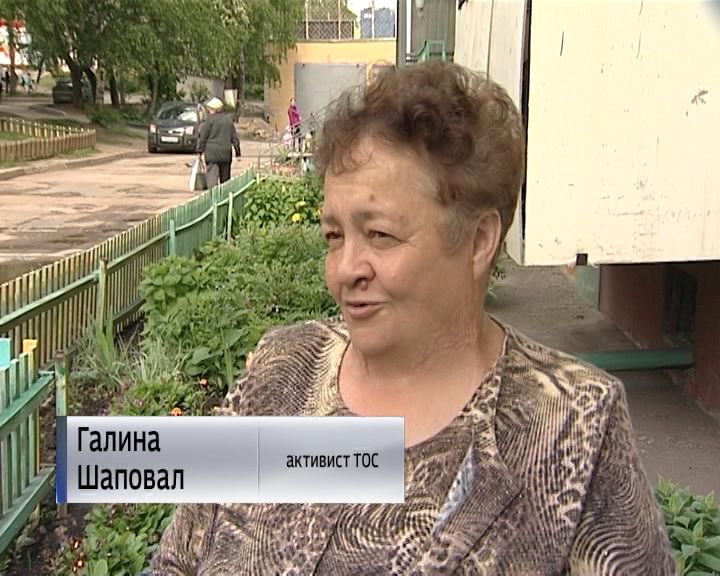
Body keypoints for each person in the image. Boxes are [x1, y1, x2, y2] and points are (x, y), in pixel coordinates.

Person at [152, 62, 674, 574]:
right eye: (334, 235)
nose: (345, 270)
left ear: (478, 240)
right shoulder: (282, 368)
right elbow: (178, 558)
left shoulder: (573, 425)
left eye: (380, 235)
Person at [196, 97, 241, 189]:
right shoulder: (228, 120)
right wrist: (238, 153)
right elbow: (235, 139)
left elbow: (203, 137)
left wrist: (199, 151)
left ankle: (213, 196)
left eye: (209, 109)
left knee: (212, 180)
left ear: (213, 109)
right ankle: (225, 196)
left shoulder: (209, 121)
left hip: (212, 154)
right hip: (225, 153)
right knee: (225, 181)